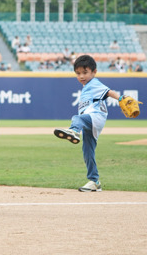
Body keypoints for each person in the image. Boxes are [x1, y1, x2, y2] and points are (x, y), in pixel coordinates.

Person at [53, 55, 125, 192]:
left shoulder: (94, 84)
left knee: (77, 119)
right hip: (93, 122)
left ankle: (74, 131)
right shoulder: (87, 87)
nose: (81, 76)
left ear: (94, 72)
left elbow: (109, 92)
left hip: (95, 117)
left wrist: (121, 98)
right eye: (78, 73)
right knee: (88, 151)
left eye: (85, 72)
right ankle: (94, 181)